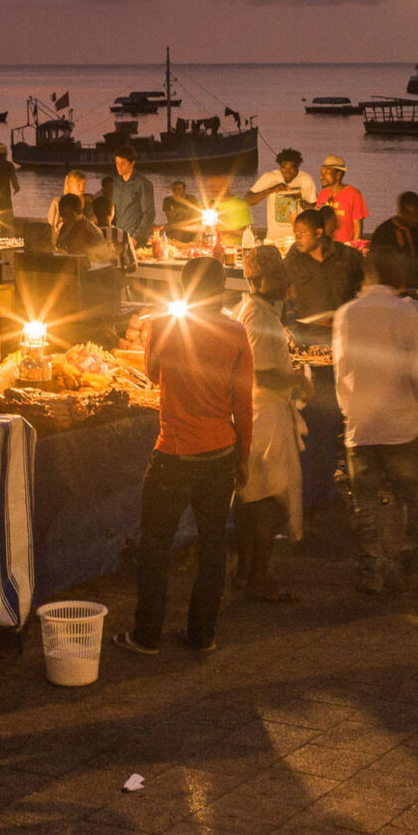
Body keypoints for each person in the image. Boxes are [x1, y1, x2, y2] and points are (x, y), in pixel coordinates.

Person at [112, 258, 253, 656]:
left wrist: (153, 334)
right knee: (212, 547)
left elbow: (154, 375)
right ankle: (202, 634)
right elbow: (243, 404)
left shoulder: (167, 324)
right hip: (221, 452)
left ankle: (147, 636)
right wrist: (243, 456)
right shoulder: (236, 331)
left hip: (174, 454)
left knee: (156, 547)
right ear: (223, 289)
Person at [334, 243, 418, 593]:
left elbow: (341, 372)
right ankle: (415, 566)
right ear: (398, 276)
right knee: (412, 497)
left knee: (366, 505)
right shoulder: (406, 314)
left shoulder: (346, 314)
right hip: (400, 425)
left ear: (367, 275)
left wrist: (350, 413)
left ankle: (372, 572)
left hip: (362, 426)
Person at [232, 245, 304, 601]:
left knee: (252, 499)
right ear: (257, 280)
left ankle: (245, 573)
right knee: (267, 502)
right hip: (265, 417)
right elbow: (262, 376)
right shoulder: (258, 319)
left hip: (257, 414)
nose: (284, 282)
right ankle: (258, 579)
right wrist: (299, 382)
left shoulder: (251, 312)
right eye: (277, 276)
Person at [283, 208, 363, 320]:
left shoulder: (348, 255)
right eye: (295, 233)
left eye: (302, 232)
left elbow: (367, 286)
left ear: (318, 233)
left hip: (345, 328)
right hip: (308, 332)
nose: (297, 238)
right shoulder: (294, 261)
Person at [248, 149, 318, 246]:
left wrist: (299, 199)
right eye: (284, 168)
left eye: (291, 169)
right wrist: (271, 190)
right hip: (273, 240)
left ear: (297, 167)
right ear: (280, 166)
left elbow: (313, 211)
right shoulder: (270, 177)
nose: (287, 172)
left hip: (297, 240)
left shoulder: (306, 179)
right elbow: (247, 200)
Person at [368, 191, 418, 290]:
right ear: (401, 211)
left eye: (417, 215)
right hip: (392, 287)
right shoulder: (384, 231)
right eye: (411, 215)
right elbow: (376, 261)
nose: (415, 220)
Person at [314, 154, 367, 244]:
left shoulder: (353, 194)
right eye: (321, 173)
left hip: (345, 246)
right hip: (326, 245)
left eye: (326, 173)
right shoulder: (323, 194)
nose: (321, 177)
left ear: (338, 175)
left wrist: (354, 248)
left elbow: (358, 225)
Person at [110, 144, 155, 248]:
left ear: (132, 163)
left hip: (136, 241)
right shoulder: (116, 184)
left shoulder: (143, 183)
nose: (119, 166)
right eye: (117, 163)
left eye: (123, 163)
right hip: (119, 238)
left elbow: (149, 214)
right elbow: (114, 212)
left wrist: (135, 238)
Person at [53, 193, 109, 261]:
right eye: (62, 215)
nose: (65, 219)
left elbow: (102, 257)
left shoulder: (92, 231)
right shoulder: (65, 227)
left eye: (69, 215)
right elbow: (59, 247)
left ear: (79, 212)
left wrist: (85, 250)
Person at [91, 194, 139, 271]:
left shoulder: (90, 234)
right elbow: (133, 266)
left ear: (94, 213)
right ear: (112, 212)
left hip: (94, 280)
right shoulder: (122, 235)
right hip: (116, 281)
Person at [46, 169, 89, 235]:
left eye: (84, 184)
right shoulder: (58, 202)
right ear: (69, 184)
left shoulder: (88, 201)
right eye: (78, 184)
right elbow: (51, 225)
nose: (82, 187)